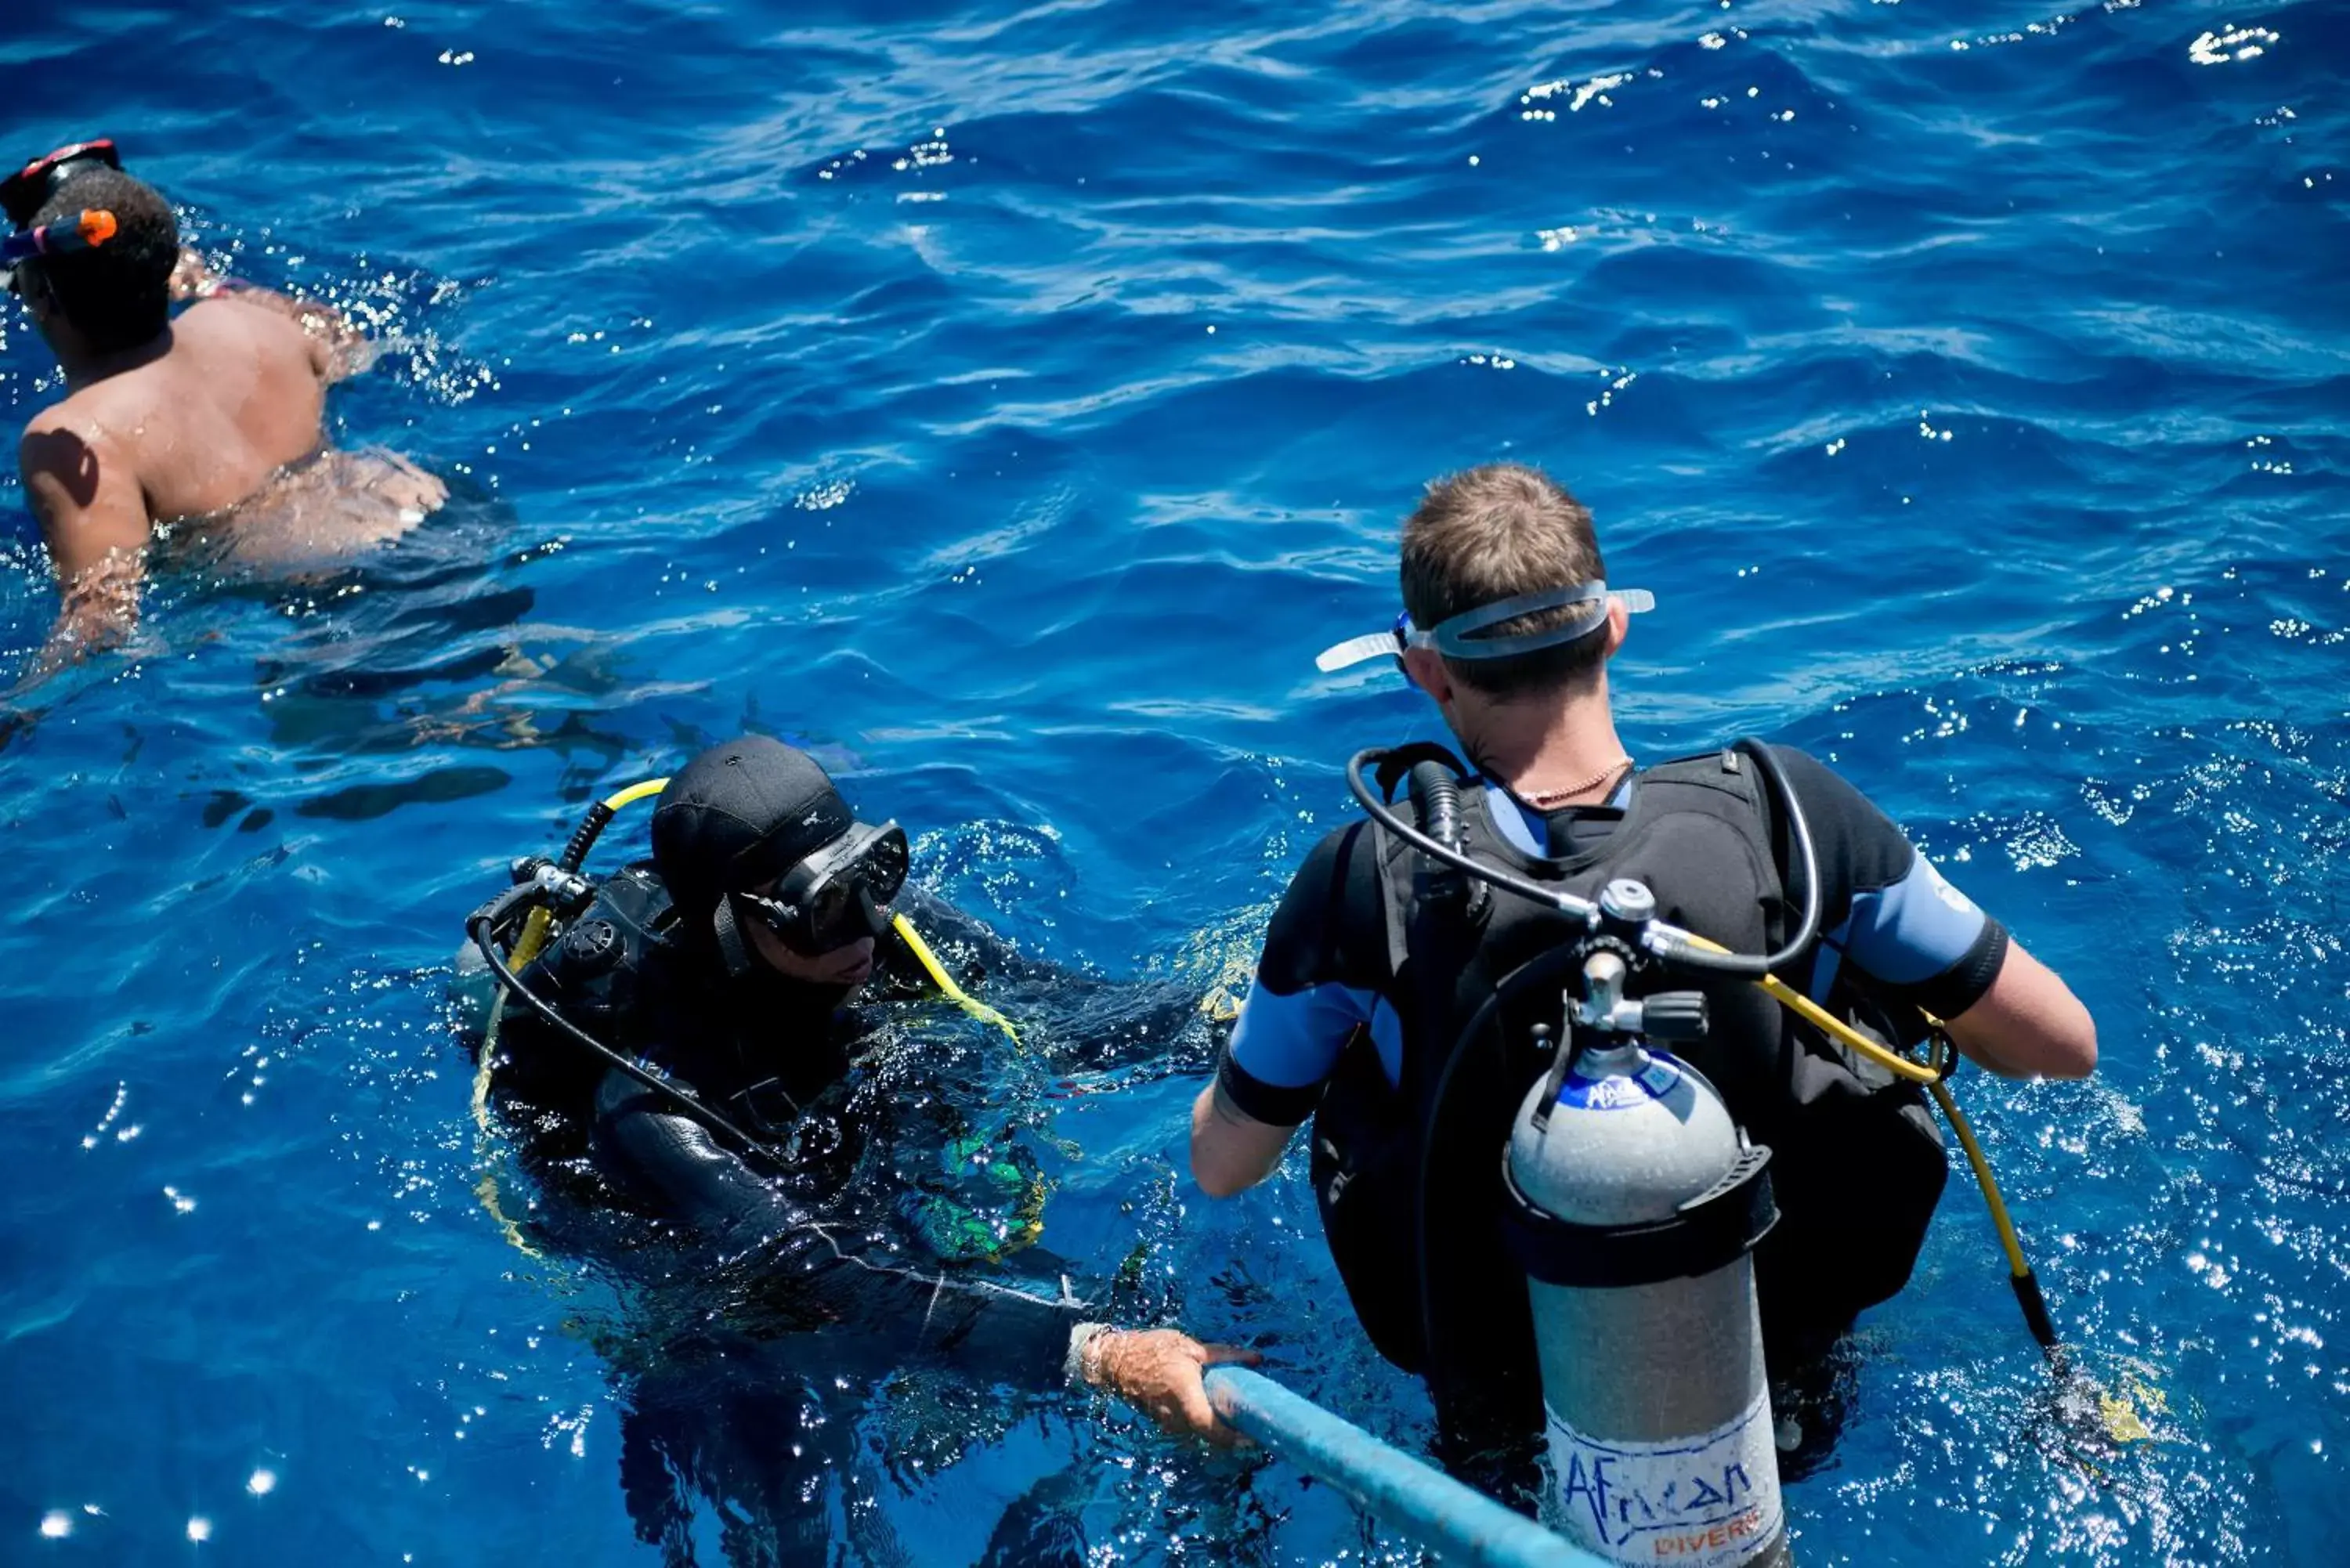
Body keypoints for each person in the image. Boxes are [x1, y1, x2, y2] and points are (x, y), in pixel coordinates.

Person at [1188, 462, 2097, 1461]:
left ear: (1424, 670)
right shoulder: (1790, 816)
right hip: (1777, 1397)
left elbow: (1224, 1166)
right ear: (1614, 625)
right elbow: (2062, 1044)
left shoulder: (1362, 880)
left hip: (1501, 1430)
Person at [469, 734, 1253, 1476]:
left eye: (869, 875)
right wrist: (1103, 1357)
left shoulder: (868, 924)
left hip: (824, 1136)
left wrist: (1267, 1041)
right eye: (823, 904)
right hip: (724, 1255)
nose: (869, 926)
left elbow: (1071, 1013)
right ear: (729, 926)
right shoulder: (647, 1105)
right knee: (781, 1444)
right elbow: (823, 1277)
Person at [5, 139, 445, 674]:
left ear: (40, 294)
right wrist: (210, 285)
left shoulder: (77, 436)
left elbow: (103, 619)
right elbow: (353, 347)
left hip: (341, 597)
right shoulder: (253, 320)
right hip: (424, 511)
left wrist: (19, 710)